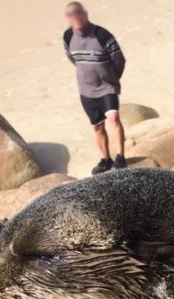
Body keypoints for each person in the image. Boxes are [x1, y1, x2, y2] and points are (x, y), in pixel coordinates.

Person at [63, 2, 127, 175]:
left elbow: (119, 59)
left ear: (85, 14)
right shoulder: (68, 37)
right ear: (67, 18)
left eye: (78, 13)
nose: (75, 17)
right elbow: (72, 59)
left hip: (107, 88)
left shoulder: (102, 35)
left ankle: (121, 158)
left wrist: (112, 79)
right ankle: (106, 159)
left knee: (113, 119)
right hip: (86, 91)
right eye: (71, 14)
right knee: (97, 127)